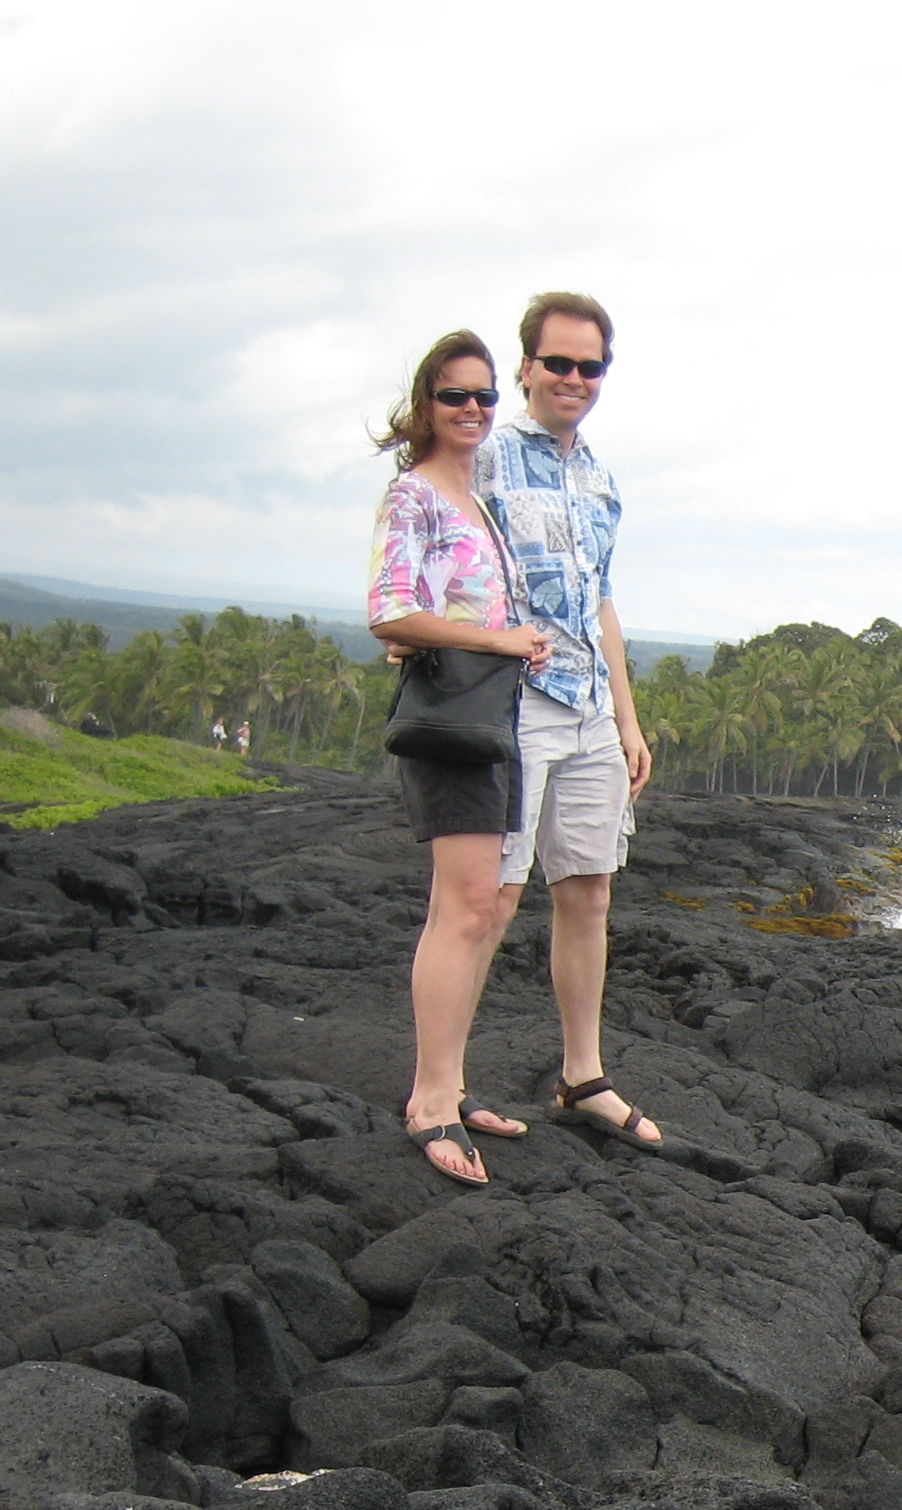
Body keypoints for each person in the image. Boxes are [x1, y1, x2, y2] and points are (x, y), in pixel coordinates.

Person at [476, 289, 664, 1150]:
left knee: (588, 890)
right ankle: (441, 1087)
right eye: (558, 362)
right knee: (492, 897)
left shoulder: (599, 477)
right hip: (513, 702)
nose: (574, 378)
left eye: (591, 366)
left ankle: (583, 1076)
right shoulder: (485, 458)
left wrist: (628, 719)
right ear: (526, 367)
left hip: (589, 707)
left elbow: (602, 603)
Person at [365, 329, 550, 1184]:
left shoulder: (474, 500)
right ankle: (431, 1102)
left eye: (484, 396)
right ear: (425, 406)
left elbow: (444, 615)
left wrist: (513, 642)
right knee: (465, 908)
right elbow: (389, 611)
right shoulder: (416, 496)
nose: (473, 409)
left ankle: (451, 1082)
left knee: (484, 908)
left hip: (493, 715)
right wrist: (497, 639)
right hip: (452, 721)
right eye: (454, 396)